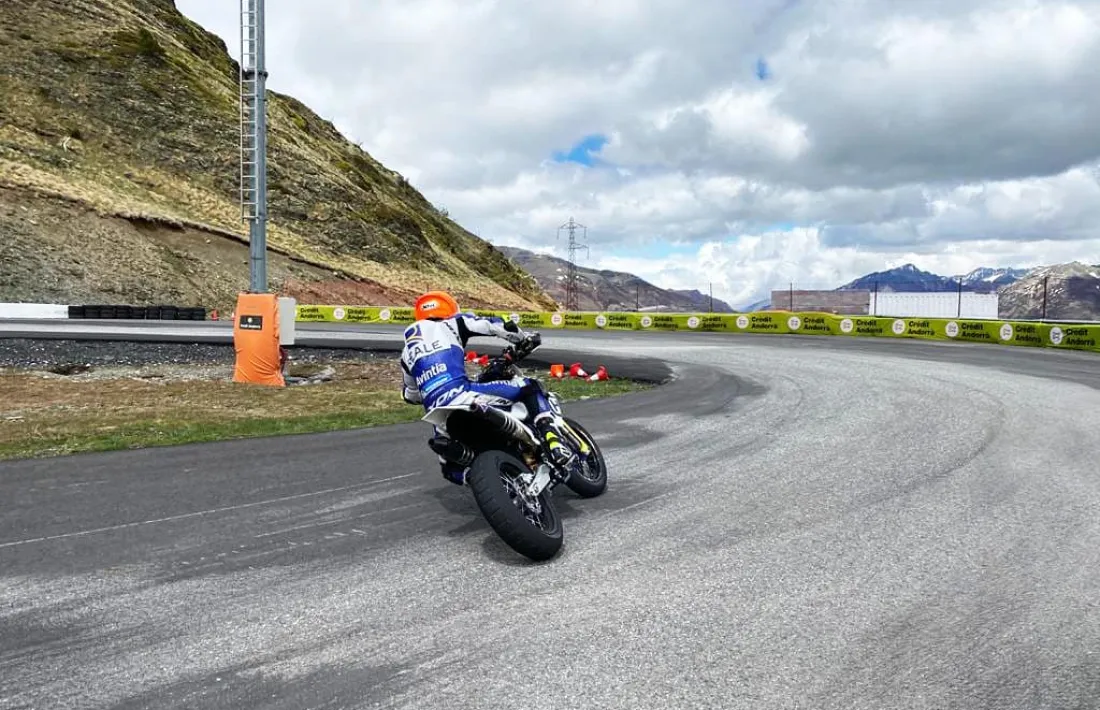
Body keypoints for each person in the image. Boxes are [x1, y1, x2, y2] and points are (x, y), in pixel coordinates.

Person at [399, 290, 577, 485]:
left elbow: (411, 395)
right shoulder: (452, 323)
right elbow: (492, 325)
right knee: (529, 386)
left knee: (450, 469)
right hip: (463, 392)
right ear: (449, 309)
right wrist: (521, 338)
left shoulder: (407, 352)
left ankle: (477, 477)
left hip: (438, 413)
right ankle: (553, 440)